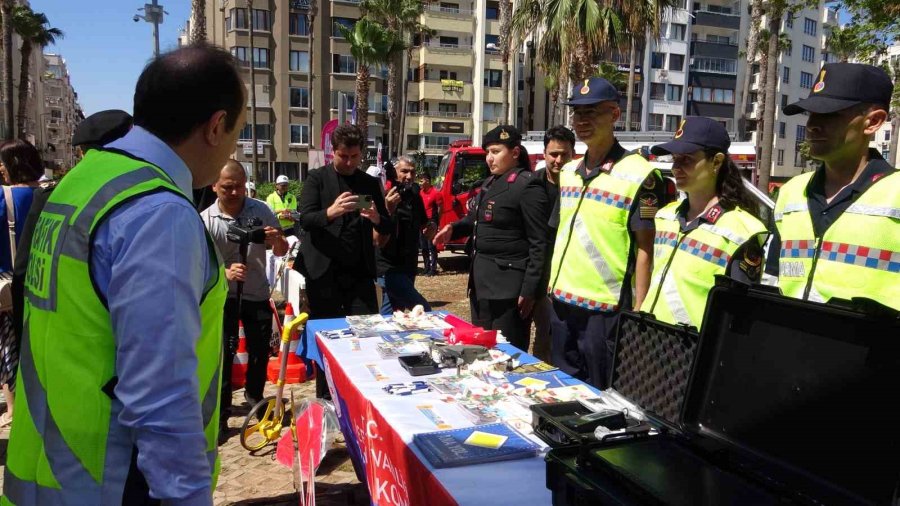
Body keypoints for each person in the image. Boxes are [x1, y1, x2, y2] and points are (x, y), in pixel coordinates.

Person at [5, 44, 246, 504]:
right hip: (113, 481)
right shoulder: (157, 212)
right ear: (216, 126)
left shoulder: (82, 181)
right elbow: (160, 394)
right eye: (237, 131)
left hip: (45, 473)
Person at [548, 77, 667, 388]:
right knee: (563, 389)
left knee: (602, 392)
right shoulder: (568, 173)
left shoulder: (640, 175)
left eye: (591, 112)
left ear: (615, 115)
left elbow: (646, 248)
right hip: (561, 302)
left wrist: (639, 312)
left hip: (604, 310)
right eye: (577, 113)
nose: (581, 120)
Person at [767, 63, 899, 310]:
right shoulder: (791, 192)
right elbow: (772, 279)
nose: (811, 125)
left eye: (830, 115)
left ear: (873, 122)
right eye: (810, 114)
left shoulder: (896, 194)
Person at [641, 117, 768, 328]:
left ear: (716, 162)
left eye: (686, 159)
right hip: (649, 338)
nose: (676, 167)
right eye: (674, 159)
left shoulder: (741, 232)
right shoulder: (665, 217)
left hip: (696, 344)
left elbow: (740, 318)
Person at [296, 124, 391, 397]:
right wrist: (330, 212)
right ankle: (326, 395)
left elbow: (387, 225)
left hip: (358, 272)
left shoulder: (368, 183)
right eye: (343, 157)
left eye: (354, 157)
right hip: (323, 272)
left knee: (365, 334)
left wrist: (377, 218)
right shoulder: (317, 178)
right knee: (328, 337)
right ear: (333, 152)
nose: (349, 162)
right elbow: (305, 219)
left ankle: (360, 393)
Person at [434, 125, 549, 350]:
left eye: (496, 152)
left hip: (509, 288)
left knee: (506, 351)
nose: (489, 158)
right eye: (488, 152)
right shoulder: (490, 182)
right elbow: (475, 218)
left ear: (515, 153)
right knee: (481, 348)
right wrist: (453, 229)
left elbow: (539, 242)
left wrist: (530, 290)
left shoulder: (527, 185)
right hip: (481, 284)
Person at [201, 160, 288, 425]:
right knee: (223, 355)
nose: (234, 192)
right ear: (214, 186)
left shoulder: (260, 210)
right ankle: (222, 410)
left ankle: (256, 398)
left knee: (260, 352)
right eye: (227, 187)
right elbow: (198, 264)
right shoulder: (205, 220)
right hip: (222, 298)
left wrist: (276, 239)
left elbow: (282, 250)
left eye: (239, 186)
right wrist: (224, 273)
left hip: (257, 293)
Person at [0, 140, 42, 429]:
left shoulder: (5, 197)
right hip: (43, 283)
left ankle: (14, 408)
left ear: (13, 164)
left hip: (9, 285)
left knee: (8, 345)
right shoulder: (52, 193)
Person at [531, 125, 575, 362]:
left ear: (573, 154)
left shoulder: (579, 186)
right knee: (544, 337)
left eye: (564, 154)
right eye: (553, 154)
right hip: (538, 275)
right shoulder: (531, 183)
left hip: (569, 277)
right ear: (544, 154)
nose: (558, 160)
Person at [377, 156, 433, 314]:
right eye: (404, 171)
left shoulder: (414, 194)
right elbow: (374, 231)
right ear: (394, 172)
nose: (409, 176)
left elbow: (424, 222)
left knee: (394, 312)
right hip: (389, 267)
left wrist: (432, 226)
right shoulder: (383, 193)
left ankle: (383, 329)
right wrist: (387, 209)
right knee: (424, 310)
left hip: (409, 264)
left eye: (412, 172)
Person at [419, 171, 442, 276]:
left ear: (427, 181)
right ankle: (426, 267)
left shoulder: (436, 193)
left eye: (421, 180)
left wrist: (437, 222)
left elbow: (440, 208)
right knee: (423, 246)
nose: (420, 183)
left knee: (431, 246)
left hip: (431, 221)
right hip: (422, 222)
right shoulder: (420, 193)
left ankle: (433, 268)